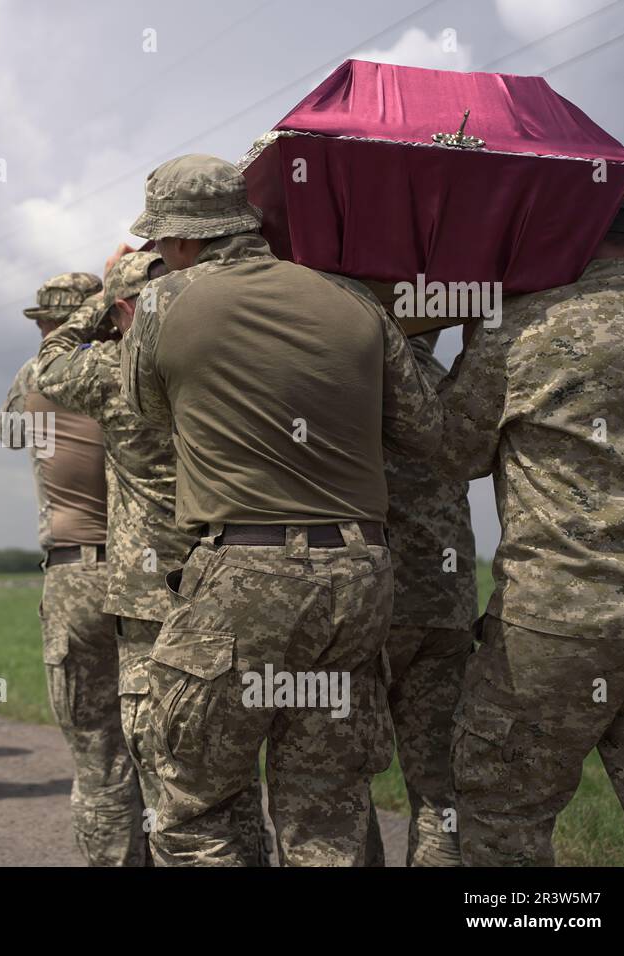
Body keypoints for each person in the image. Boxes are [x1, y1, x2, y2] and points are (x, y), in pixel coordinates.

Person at [120, 153, 443, 865]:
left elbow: (144, 410)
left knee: (193, 806)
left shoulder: (166, 302)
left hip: (245, 574)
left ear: (177, 239)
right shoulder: (354, 301)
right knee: (324, 810)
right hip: (360, 579)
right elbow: (423, 429)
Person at [440, 179, 624, 867]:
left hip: (556, 622)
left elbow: (454, 451)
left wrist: (476, 337)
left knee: (504, 814)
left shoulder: (525, 323)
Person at [34, 253, 267, 865]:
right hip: (220, 579)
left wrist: (99, 306)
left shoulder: (93, 375)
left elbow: (47, 368)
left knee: (116, 760)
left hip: (112, 583)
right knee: (221, 769)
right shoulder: (219, 363)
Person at [4, 272, 147, 866]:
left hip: (74, 575)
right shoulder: (139, 372)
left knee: (98, 756)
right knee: (167, 748)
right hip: (149, 575)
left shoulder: (37, 381)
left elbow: (13, 431)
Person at [361, 331, 478, 867]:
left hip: (371, 605)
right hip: (445, 608)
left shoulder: (350, 372)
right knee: (438, 789)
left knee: (338, 785)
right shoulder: (450, 384)